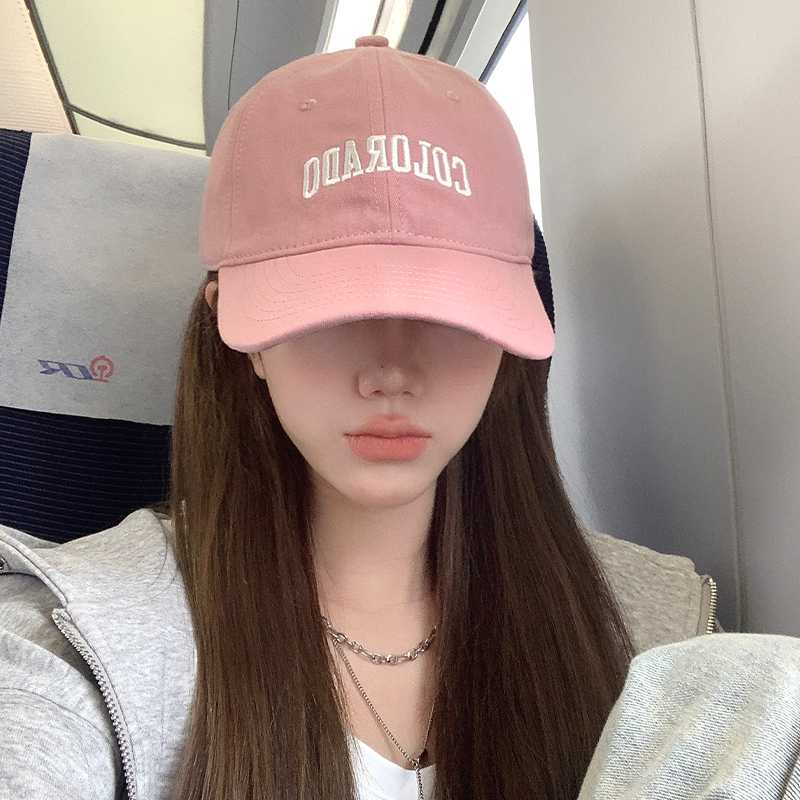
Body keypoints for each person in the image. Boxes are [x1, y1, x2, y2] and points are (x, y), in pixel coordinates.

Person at [6, 34, 787, 800]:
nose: (391, 373)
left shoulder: (655, 629)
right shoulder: (82, 631)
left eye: (449, 313)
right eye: (330, 310)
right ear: (241, 335)